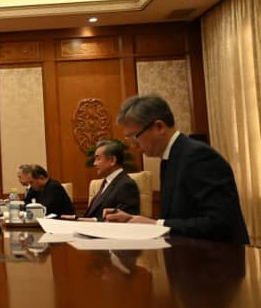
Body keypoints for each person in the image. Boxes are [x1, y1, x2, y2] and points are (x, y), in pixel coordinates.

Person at [104, 94, 249, 245]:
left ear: (159, 127)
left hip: (219, 260)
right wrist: (136, 220)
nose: (132, 145)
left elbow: (220, 223)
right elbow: (180, 219)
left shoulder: (198, 156)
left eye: (134, 136)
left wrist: (156, 225)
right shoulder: (171, 156)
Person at [80, 139, 140, 220]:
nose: (94, 163)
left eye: (98, 159)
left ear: (112, 160)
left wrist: (92, 221)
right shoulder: (106, 182)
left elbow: (125, 220)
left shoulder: (126, 185)